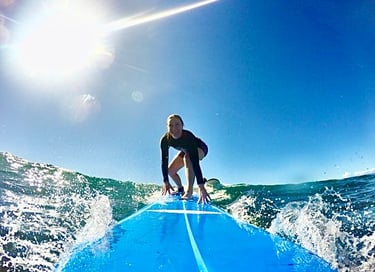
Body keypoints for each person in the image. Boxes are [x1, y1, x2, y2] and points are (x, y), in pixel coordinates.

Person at [160, 114, 211, 204]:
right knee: (170, 171)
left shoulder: (188, 137)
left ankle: (189, 192)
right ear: (167, 127)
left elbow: (195, 162)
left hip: (200, 148)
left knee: (188, 158)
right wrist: (166, 181)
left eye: (177, 124)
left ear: (182, 126)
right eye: (170, 125)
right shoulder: (165, 140)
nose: (174, 128)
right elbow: (164, 161)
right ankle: (180, 189)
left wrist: (201, 186)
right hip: (186, 150)